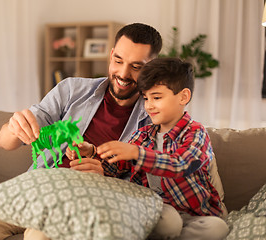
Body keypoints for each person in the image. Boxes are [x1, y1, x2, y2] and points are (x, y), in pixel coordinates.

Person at [0, 22, 163, 240]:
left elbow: (151, 190)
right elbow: (5, 142)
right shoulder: (72, 90)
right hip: (37, 188)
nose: (123, 74)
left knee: (40, 235)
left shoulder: (156, 119)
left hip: (85, 200)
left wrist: (107, 180)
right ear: (112, 53)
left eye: (137, 67)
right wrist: (14, 126)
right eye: (118, 60)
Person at [96, 57, 229, 240]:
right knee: (169, 222)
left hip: (193, 214)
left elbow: (182, 164)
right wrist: (92, 154)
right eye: (145, 98)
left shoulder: (195, 132)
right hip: (156, 209)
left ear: (183, 97)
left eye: (156, 97)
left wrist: (137, 153)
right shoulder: (142, 135)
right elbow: (115, 169)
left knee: (218, 227)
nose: (149, 106)